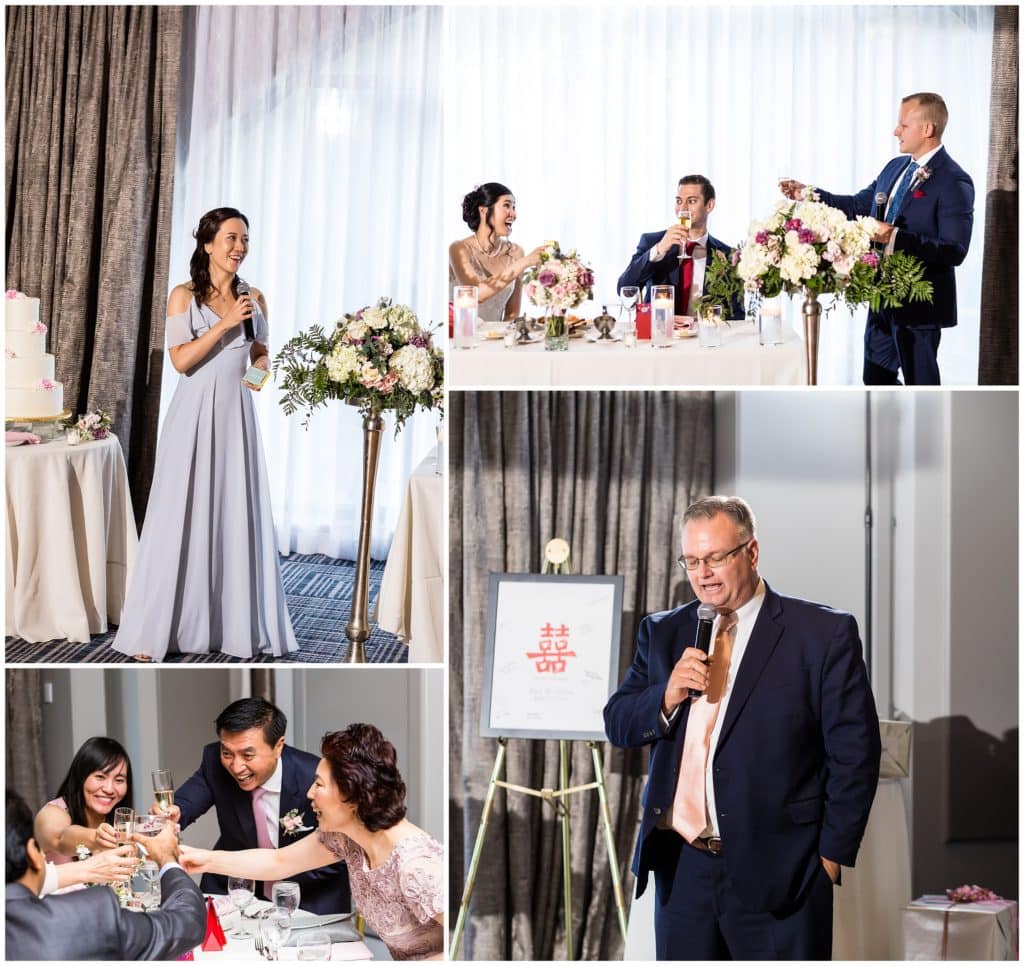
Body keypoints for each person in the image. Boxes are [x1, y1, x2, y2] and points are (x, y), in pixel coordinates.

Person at [604, 496, 880, 960]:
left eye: (715, 558)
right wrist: (667, 695)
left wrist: (829, 857)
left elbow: (855, 753)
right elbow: (618, 722)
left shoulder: (820, 634)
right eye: (691, 561)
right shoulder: (665, 631)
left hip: (783, 867)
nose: (702, 573)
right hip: (683, 865)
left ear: (751, 553)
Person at [113, 206, 297, 661]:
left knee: (234, 512)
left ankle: (233, 626)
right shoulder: (183, 296)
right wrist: (226, 323)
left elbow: (260, 353)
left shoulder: (254, 297)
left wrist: (256, 377)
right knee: (180, 513)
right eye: (232, 238)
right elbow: (181, 361)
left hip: (235, 417)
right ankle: (162, 627)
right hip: (192, 416)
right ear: (209, 243)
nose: (240, 247)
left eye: (245, 240)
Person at [180, 723, 444, 961]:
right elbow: (279, 861)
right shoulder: (346, 840)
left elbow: (466, 947)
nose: (309, 793)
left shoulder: (416, 866)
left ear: (351, 795)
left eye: (319, 784)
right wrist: (201, 859)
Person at [781, 93, 974, 385]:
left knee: (921, 389)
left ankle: (928, 431)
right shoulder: (895, 168)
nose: (896, 131)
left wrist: (894, 236)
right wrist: (807, 194)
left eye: (903, 125)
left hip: (919, 306)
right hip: (880, 298)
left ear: (927, 130)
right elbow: (858, 206)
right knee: (875, 380)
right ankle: (891, 431)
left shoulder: (954, 180)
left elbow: (955, 250)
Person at [162, 696, 350, 915]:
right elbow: (185, 804)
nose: (236, 766)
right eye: (227, 753)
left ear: (278, 746)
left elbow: (332, 856)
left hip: (311, 896)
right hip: (235, 890)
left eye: (248, 755)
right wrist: (173, 814)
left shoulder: (313, 778)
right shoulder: (215, 762)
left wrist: (278, 874)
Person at [6, 789, 206, 961]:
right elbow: (186, 924)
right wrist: (166, 859)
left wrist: (89, 868)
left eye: (119, 779)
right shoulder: (90, 916)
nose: (109, 788)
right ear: (33, 852)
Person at [617, 175, 744, 319]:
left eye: (691, 201)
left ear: (709, 205)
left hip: (704, 337)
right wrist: (658, 249)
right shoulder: (652, 242)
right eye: (679, 201)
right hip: (660, 335)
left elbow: (736, 315)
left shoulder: (728, 255)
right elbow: (624, 290)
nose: (682, 208)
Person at [449, 182, 545, 322]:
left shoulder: (516, 252)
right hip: (463, 338)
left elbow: (512, 314)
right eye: (506, 206)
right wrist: (526, 262)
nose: (513, 214)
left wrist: (502, 341)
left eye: (514, 207)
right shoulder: (459, 248)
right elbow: (477, 294)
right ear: (483, 211)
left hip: (496, 339)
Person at [34, 736, 135, 866]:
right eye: (100, 777)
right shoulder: (52, 813)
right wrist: (97, 838)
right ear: (80, 777)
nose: (109, 789)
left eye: (119, 780)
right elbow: (60, 838)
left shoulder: (119, 822)